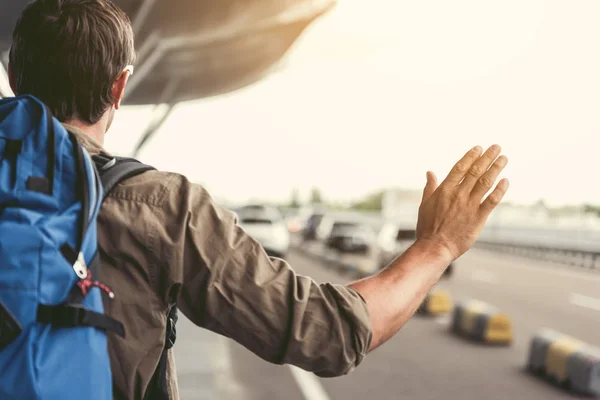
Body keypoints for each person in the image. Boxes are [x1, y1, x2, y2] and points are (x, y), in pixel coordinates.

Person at [7, 0, 509, 398]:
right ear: (119, 87)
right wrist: (436, 247)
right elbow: (330, 334)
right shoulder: (161, 206)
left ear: (14, 77)